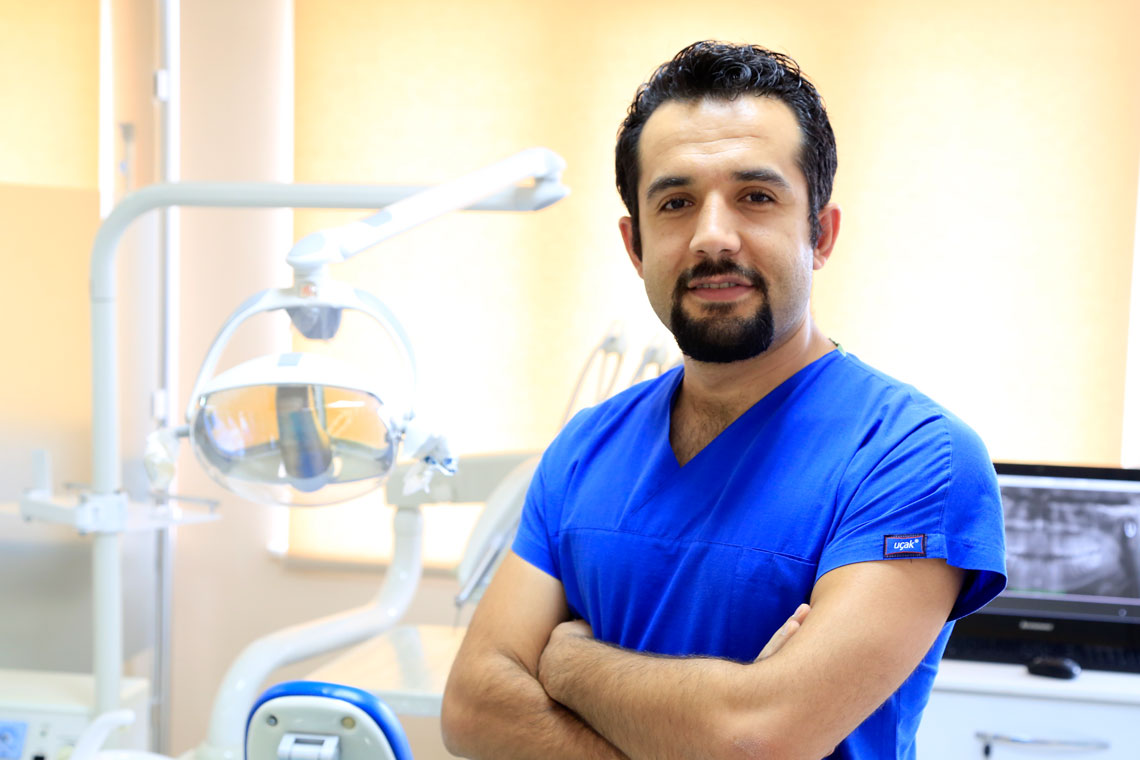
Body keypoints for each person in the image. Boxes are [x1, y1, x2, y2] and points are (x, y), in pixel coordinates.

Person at [441, 41, 1006, 760]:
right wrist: (713, 720)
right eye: (676, 203)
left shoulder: (912, 456)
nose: (713, 236)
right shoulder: (585, 448)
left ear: (820, 234)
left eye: (756, 197)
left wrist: (569, 663)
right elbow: (472, 709)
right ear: (636, 246)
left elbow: (757, 737)